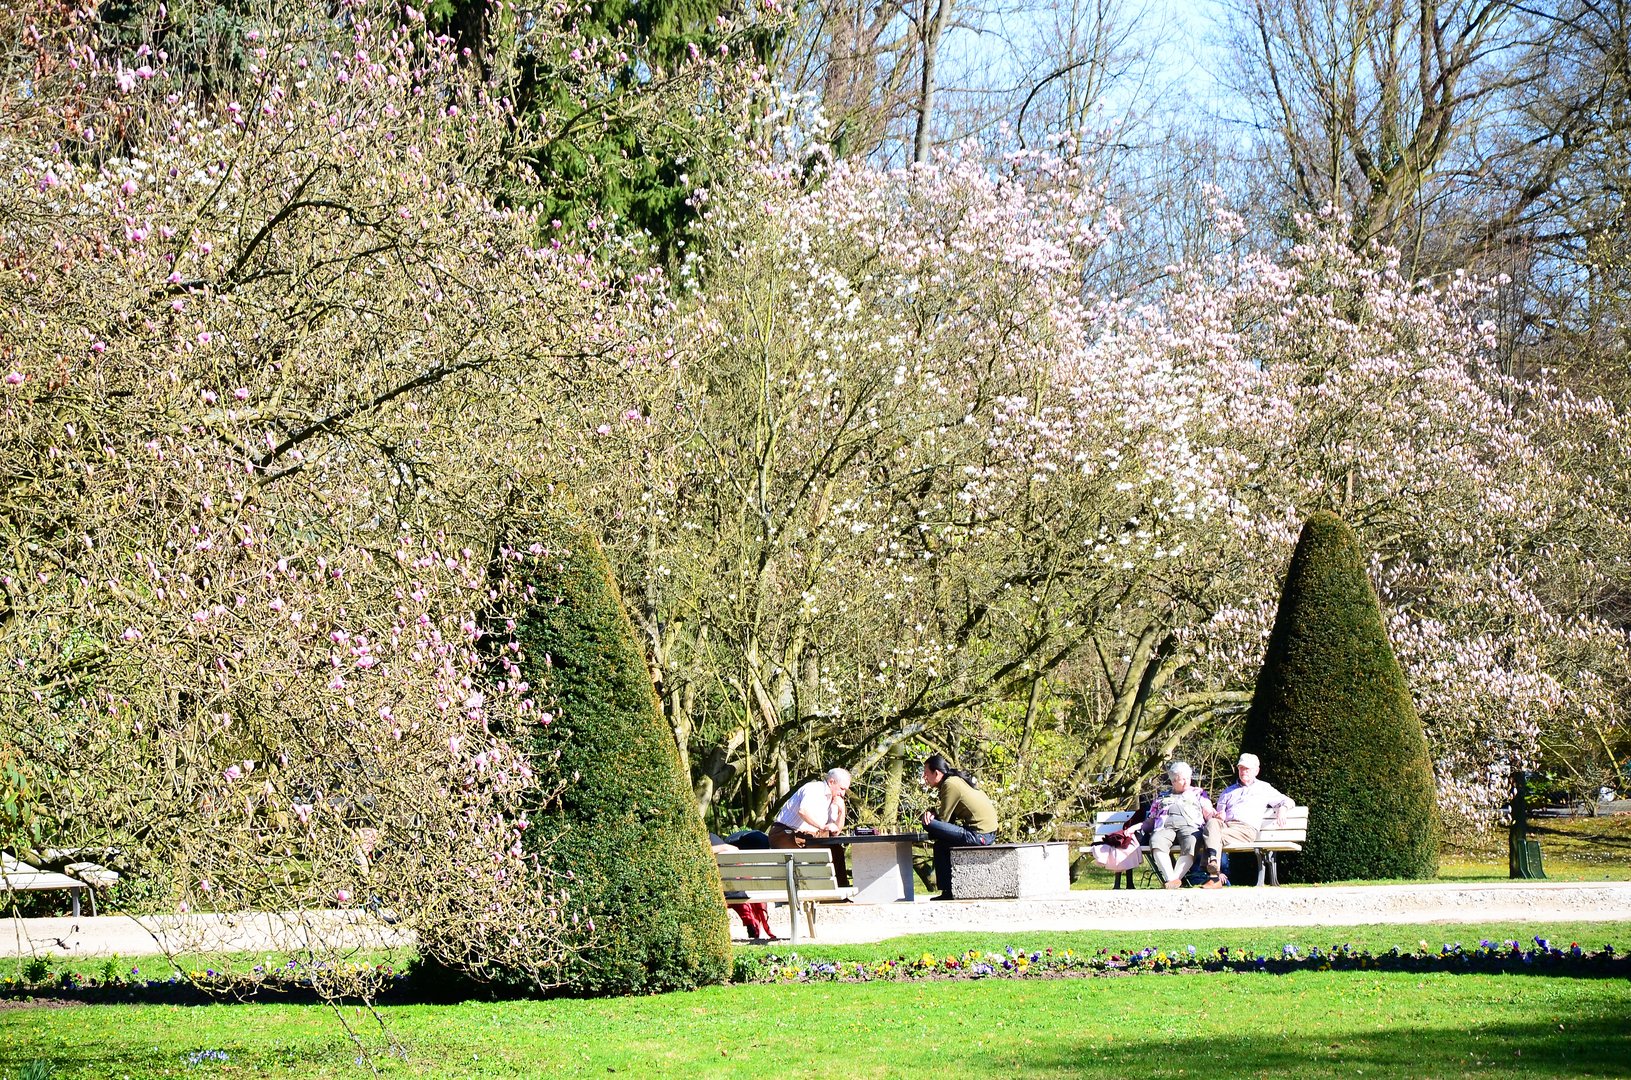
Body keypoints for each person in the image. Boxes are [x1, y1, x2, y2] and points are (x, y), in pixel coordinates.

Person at [1199, 752, 1292, 888]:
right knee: (1212, 823)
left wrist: (1283, 809)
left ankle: (1213, 876)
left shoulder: (1264, 788)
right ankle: (1213, 861)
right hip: (1226, 826)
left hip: (1246, 829)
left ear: (1256, 771)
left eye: (1247, 769)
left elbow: (1287, 800)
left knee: (1213, 836)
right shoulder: (1228, 791)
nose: (1243, 772)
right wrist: (1221, 815)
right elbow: (1220, 813)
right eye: (1241, 768)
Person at [1116, 761, 1214, 889]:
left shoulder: (1198, 793)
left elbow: (1209, 813)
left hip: (1190, 825)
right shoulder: (1162, 796)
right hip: (1164, 826)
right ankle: (1172, 879)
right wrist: (1135, 827)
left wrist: (1216, 818)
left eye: (1188, 778)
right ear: (1173, 781)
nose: (1186, 782)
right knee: (1156, 840)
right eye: (1182, 779)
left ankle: (1173, 880)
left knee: (1192, 841)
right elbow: (1150, 821)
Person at [920, 753, 999, 900]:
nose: (924, 778)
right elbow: (949, 819)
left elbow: (944, 820)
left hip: (980, 835)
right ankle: (948, 892)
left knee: (928, 823)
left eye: (926, 774)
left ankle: (948, 892)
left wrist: (930, 817)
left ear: (936, 773)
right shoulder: (954, 781)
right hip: (986, 833)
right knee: (940, 846)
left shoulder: (950, 785)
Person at [768, 767, 851, 886]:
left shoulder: (832, 800)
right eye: (842, 789)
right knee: (831, 849)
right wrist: (822, 826)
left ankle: (837, 890)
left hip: (802, 837)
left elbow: (835, 832)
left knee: (835, 848)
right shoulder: (814, 789)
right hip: (784, 834)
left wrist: (842, 811)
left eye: (845, 790)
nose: (842, 794)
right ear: (832, 782)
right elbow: (803, 811)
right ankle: (834, 891)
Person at [710, 832, 775, 941]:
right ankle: (751, 922)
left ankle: (749, 921)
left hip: (720, 889)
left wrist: (723, 847)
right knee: (739, 879)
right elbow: (734, 850)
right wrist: (725, 847)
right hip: (742, 889)